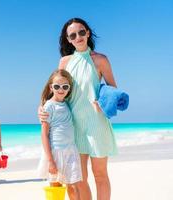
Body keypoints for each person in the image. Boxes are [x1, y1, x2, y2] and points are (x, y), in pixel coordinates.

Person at [39, 18, 118, 200]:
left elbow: (113, 89)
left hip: (97, 124)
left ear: (88, 33)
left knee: (100, 175)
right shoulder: (64, 62)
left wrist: (103, 101)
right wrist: (42, 107)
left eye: (81, 32)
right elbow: (56, 88)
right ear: (68, 39)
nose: (78, 37)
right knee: (78, 179)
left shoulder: (101, 60)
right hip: (72, 127)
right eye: (73, 35)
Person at [38, 69, 82, 200]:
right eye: (57, 86)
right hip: (56, 152)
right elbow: (44, 135)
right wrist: (50, 161)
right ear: (51, 87)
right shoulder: (49, 107)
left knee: (73, 186)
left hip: (71, 150)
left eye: (65, 86)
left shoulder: (67, 103)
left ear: (69, 88)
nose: (61, 89)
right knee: (56, 187)